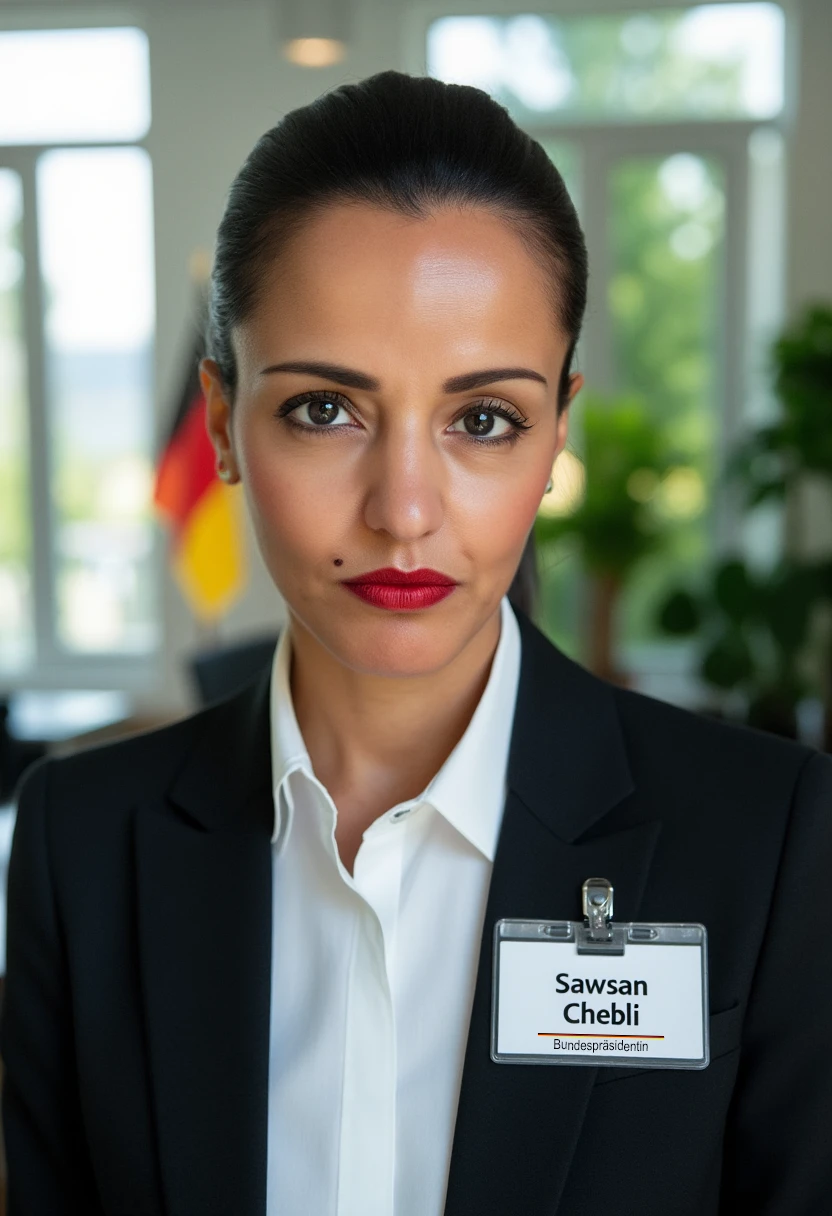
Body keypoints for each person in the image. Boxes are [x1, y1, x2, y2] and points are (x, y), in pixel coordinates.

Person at [1, 69, 830, 1216]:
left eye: (482, 420)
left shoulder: (766, 841)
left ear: (552, 440)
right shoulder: (78, 845)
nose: (402, 510)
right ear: (221, 424)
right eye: (322, 409)